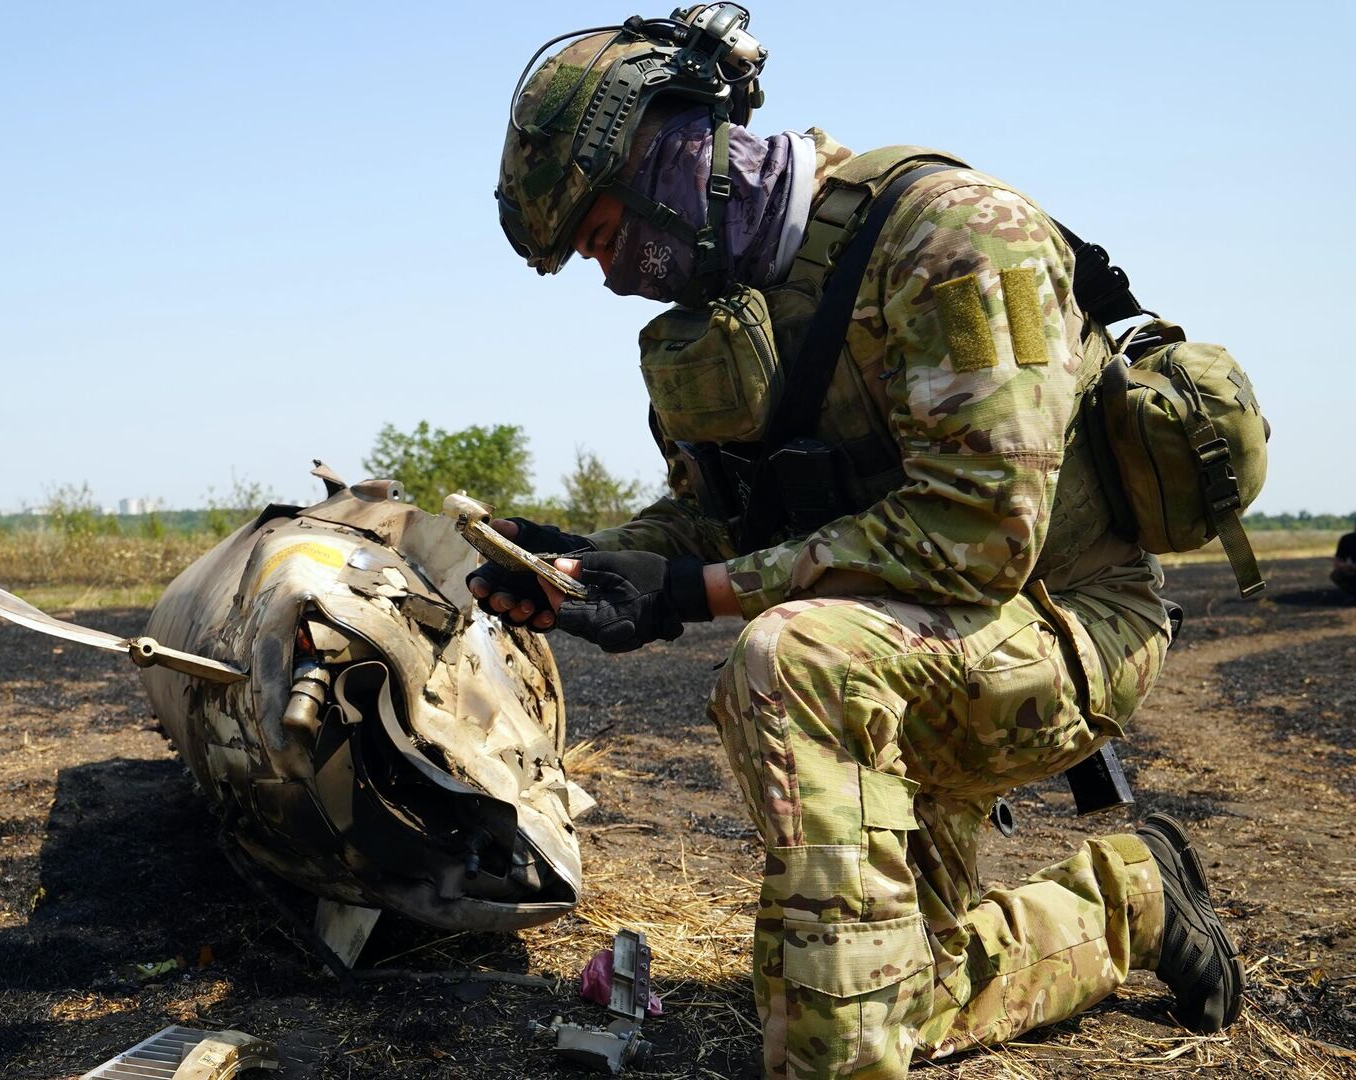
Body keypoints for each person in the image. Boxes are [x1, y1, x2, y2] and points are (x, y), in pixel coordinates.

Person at [474, 9, 1243, 1077]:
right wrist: (593, 564)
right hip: (916, 641)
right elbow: (718, 519)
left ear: (668, 157)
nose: (610, 277)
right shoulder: (723, 328)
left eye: (603, 236)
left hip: (1066, 621)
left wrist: (693, 593)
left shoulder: (952, 237)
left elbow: (978, 537)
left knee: (788, 663)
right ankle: (1135, 900)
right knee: (870, 996)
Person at [1335, 530, 1356, 597]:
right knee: (1337, 575)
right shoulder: (1347, 539)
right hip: (1351, 570)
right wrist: (1344, 566)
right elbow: (1338, 560)